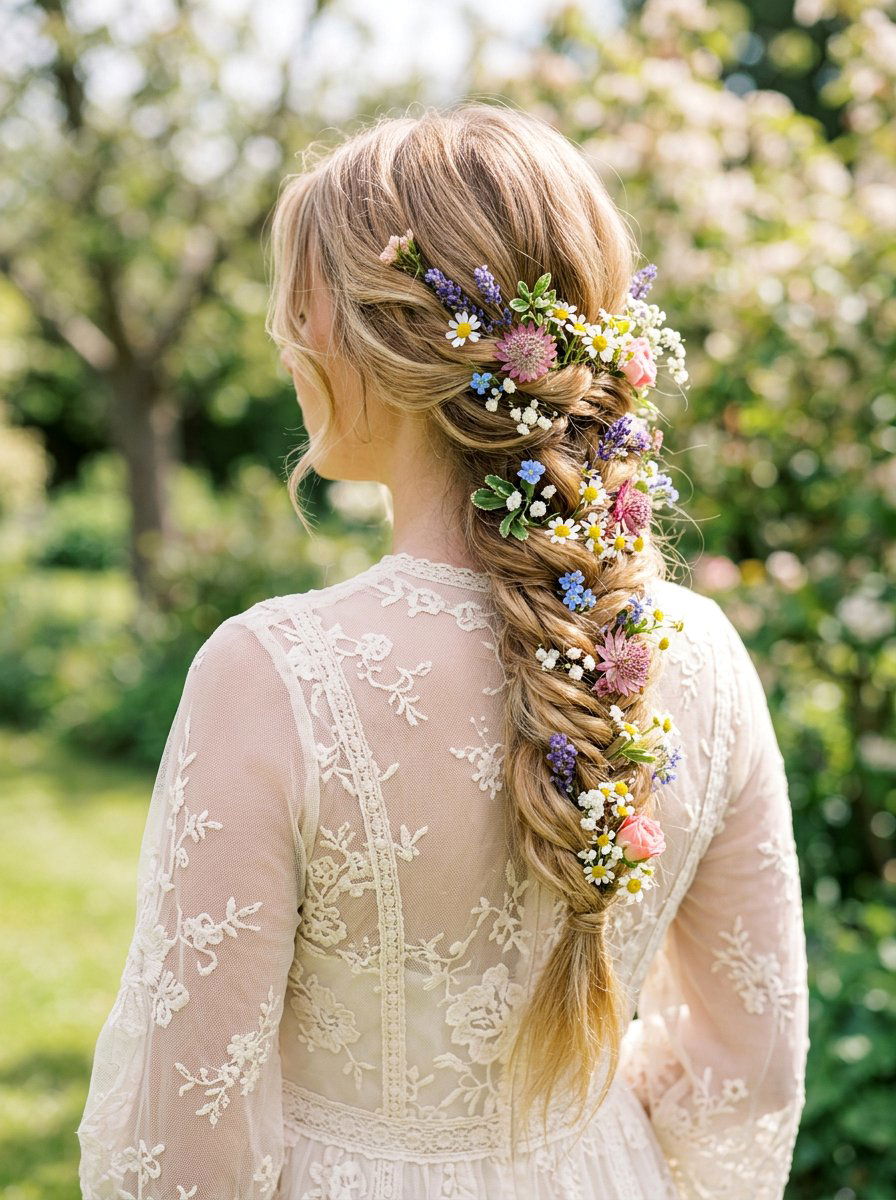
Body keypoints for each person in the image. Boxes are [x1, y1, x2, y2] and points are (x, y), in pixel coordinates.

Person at [76, 102, 808, 1200]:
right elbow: (749, 1061)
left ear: (381, 333)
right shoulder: (694, 651)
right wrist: (587, 1137)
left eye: (303, 299)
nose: (286, 334)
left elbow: (188, 1144)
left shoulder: (268, 677)